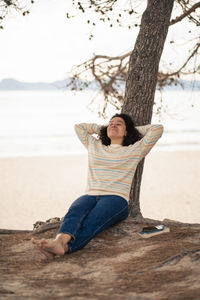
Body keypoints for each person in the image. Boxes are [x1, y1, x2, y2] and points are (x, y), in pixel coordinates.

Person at [32, 113, 163, 259]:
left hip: (116, 199)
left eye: (119, 124)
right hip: (90, 195)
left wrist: (131, 128)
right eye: (111, 123)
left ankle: (67, 247)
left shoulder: (134, 150)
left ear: (126, 132)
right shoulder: (95, 146)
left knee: (92, 221)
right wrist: (105, 128)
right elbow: (79, 127)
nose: (113, 125)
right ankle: (59, 241)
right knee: (74, 212)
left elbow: (157, 129)